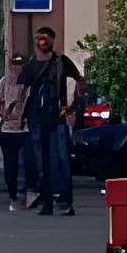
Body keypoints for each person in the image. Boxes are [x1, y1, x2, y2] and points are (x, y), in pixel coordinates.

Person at [19, 24, 82, 218]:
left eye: (46, 38)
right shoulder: (31, 64)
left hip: (57, 119)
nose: (42, 41)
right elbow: (23, 89)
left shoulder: (61, 62)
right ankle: (46, 203)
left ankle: (64, 202)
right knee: (42, 163)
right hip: (37, 120)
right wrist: (21, 115)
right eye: (39, 38)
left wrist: (71, 106)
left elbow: (80, 81)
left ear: (53, 40)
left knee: (61, 160)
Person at [0, 50, 35, 211]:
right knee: (10, 165)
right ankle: (13, 194)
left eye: (20, 63)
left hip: (24, 131)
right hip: (8, 131)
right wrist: (3, 116)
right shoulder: (4, 82)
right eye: (15, 63)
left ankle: (25, 193)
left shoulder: (29, 83)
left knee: (26, 164)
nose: (18, 66)